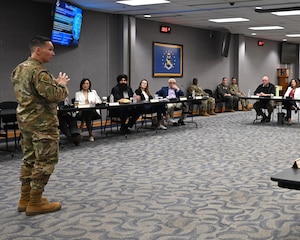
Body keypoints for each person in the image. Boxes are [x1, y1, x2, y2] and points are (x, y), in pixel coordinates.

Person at [10, 35, 69, 216]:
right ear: (38, 50)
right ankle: (35, 202)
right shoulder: (39, 73)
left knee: (29, 159)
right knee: (45, 161)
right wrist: (61, 84)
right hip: (42, 124)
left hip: (26, 122)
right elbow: (54, 96)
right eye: (50, 49)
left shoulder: (19, 69)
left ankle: (25, 198)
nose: (53, 53)